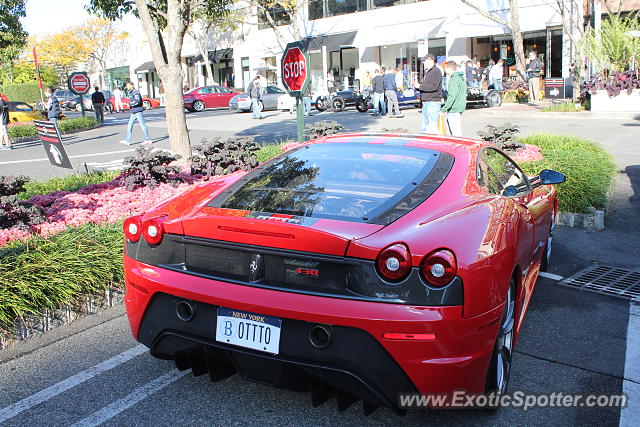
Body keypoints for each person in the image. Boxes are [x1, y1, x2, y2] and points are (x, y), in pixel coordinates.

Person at [416, 54, 443, 133]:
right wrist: (417, 87)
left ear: (430, 60)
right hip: (426, 101)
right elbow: (426, 86)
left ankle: (432, 144)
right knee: (425, 127)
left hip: (433, 102)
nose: (423, 63)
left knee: (432, 127)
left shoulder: (436, 71)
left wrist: (420, 86)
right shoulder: (427, 72)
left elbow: (434, 87)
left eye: (425, 61)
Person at [441, 61, 466, 137]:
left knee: (454, 132)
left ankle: (457, 148)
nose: (445, 70)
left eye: (445, 68)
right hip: (459, 107)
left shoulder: (454, 79)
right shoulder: (460, 78)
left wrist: (444, 108)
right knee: (456, 130)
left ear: (449, 68)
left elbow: (452, 96)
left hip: (453, 109)